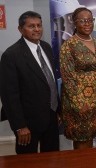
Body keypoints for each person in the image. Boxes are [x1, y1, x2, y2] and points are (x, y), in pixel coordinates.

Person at [0, 11, 60, 154]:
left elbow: (50, 81)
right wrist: (20, 126)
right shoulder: (11, 55)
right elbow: (9, 96)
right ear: (21, 29)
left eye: (39, 25)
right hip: (28, 124)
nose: (37, 29)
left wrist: (58, 110)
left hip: (51, 118)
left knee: (52, 159)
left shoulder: (46, 47)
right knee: (27, 162)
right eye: (31, 26)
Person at [59, 7, 96, 149]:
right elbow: (68, 77)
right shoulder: (69, 46)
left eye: (90, 20)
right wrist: (79, 103)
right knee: (81, 139)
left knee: (91, 136)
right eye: (82, 21)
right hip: (78, 101)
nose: (87, 24)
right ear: (75, 23)